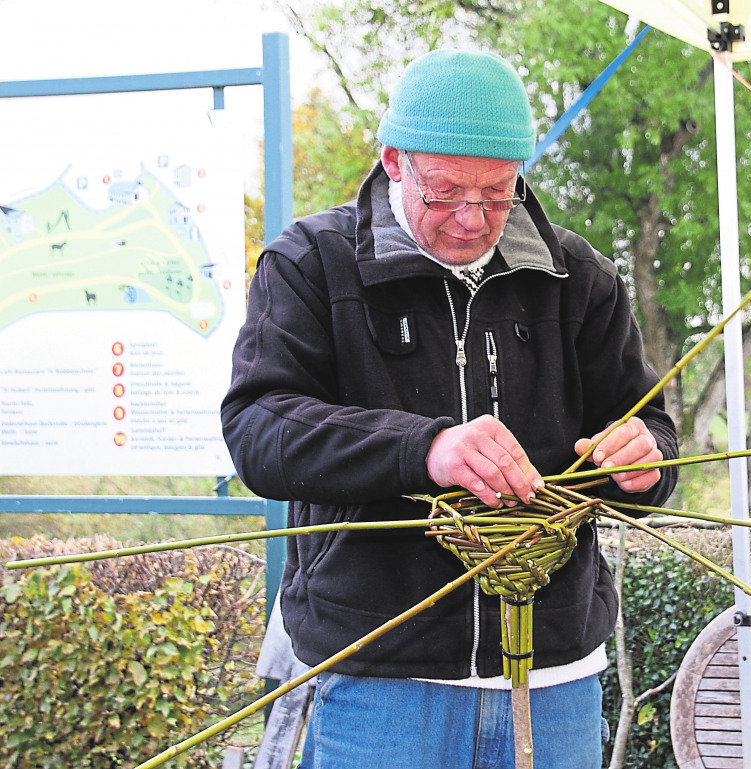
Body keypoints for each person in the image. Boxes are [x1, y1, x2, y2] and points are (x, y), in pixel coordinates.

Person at [221, 48, 678, 768]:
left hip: (555, 673)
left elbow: (650, 424)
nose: (472, 218)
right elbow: (258, 428)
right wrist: (422, 448)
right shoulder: (314, 262)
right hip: (380, 674)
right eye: (445, 191)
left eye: (498, 193)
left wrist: (645, 460)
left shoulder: (579, 278)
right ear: (395, 160)